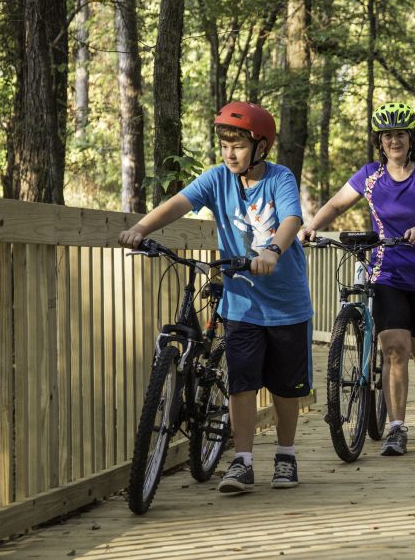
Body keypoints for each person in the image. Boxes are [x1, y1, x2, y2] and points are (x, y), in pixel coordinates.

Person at [118, 101, 313, 494]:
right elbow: (178, 204)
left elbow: (292, 218)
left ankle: (286, 455)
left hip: (286, 302)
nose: (229, 153)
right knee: (241, 383)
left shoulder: (280, 178)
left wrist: (273, 249)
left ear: (261, 147)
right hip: (241, 301)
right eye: (225, 144)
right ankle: (242, 462)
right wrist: (140, 227)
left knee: (283, 387)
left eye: (238, 145)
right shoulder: (217, 179)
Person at [300, 102, 415, 456]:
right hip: (387, 273)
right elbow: (338, 204)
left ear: (411, 138)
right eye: (388, 135)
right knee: (395, 350)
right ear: (380, 141)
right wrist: (311, 226)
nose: (394, 140)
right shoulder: (370, 176)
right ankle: (397, 427)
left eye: (401, 134)